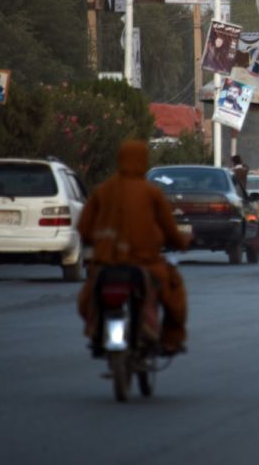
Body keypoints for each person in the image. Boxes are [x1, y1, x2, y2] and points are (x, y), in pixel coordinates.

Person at [77, 139, 192, 356]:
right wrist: (181, 242)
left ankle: (95, 333)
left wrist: (101, 242)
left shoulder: (102, 191)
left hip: (105, 264)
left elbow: (83, 229)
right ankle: (171, 340)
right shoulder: (151, 193)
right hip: (145, 264)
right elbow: (170, 229)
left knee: (89, 295)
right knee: (174, 291)